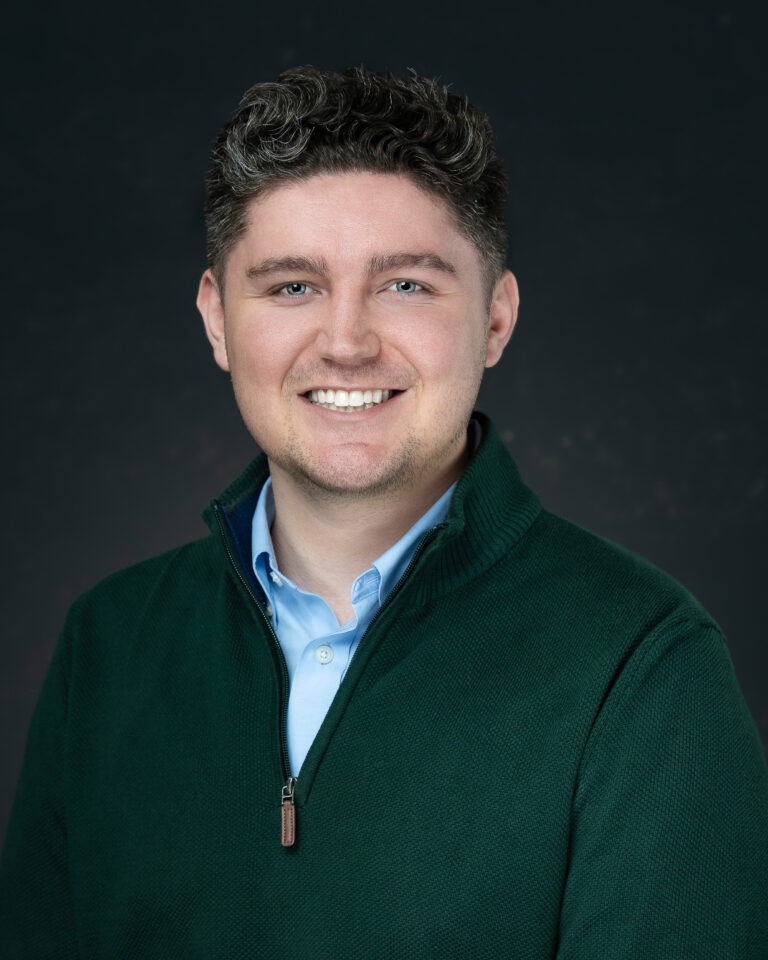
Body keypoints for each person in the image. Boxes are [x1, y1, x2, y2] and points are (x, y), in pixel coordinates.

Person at [1, 65, 766, 959]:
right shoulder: (109, 644)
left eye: (406, 284)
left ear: (495, 318)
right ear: (216, 320)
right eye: (292, 287)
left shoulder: (644, 668)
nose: (347, 341)